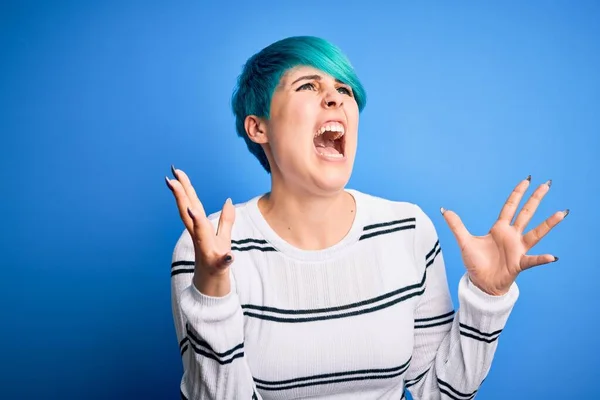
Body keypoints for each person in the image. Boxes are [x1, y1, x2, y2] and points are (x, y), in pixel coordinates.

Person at [165, 36, 567, 400]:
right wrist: (212, 292)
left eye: (344, 90)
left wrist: (486, 297)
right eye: (308, 85)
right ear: (258, 127)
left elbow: (439, 394)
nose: (336, 98)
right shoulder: (208, 247)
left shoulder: (407, 230)